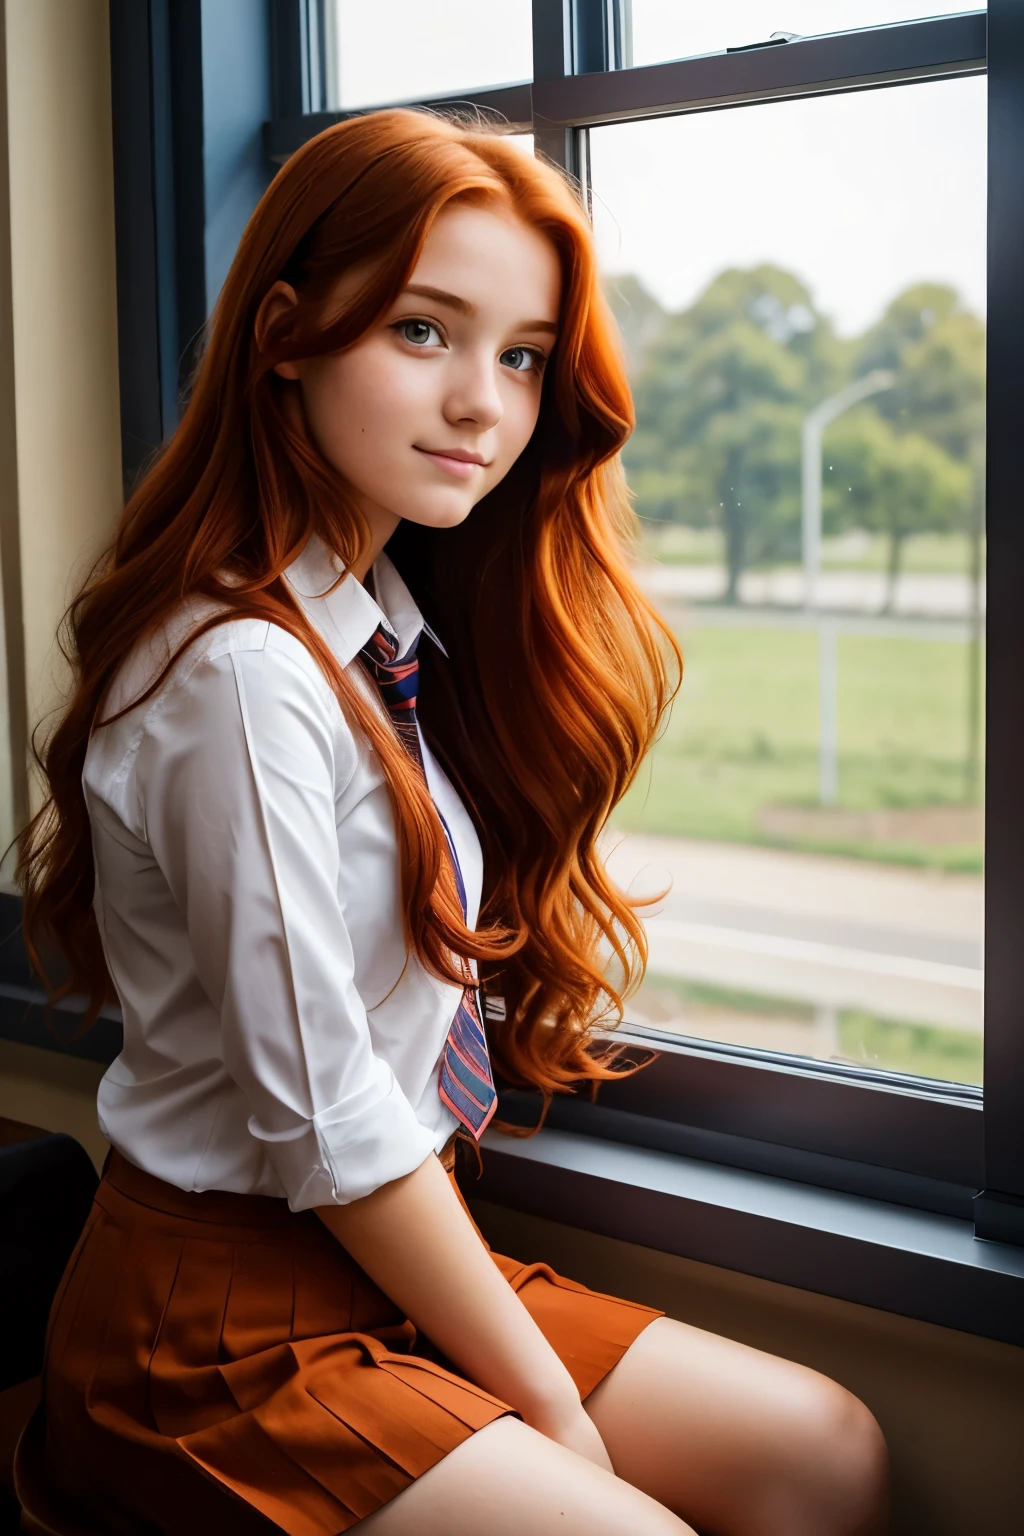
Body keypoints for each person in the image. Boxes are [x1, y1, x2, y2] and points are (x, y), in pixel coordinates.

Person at [16, 109, 888, 1536]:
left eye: (524, 355)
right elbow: (331, 1120)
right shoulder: (238, 671)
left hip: (382, 1258)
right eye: (426, 331)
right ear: (286, 334)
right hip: (211, 1330)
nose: (485, 400)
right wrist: (545, 1409)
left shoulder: (383, 637)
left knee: (824, 1449)